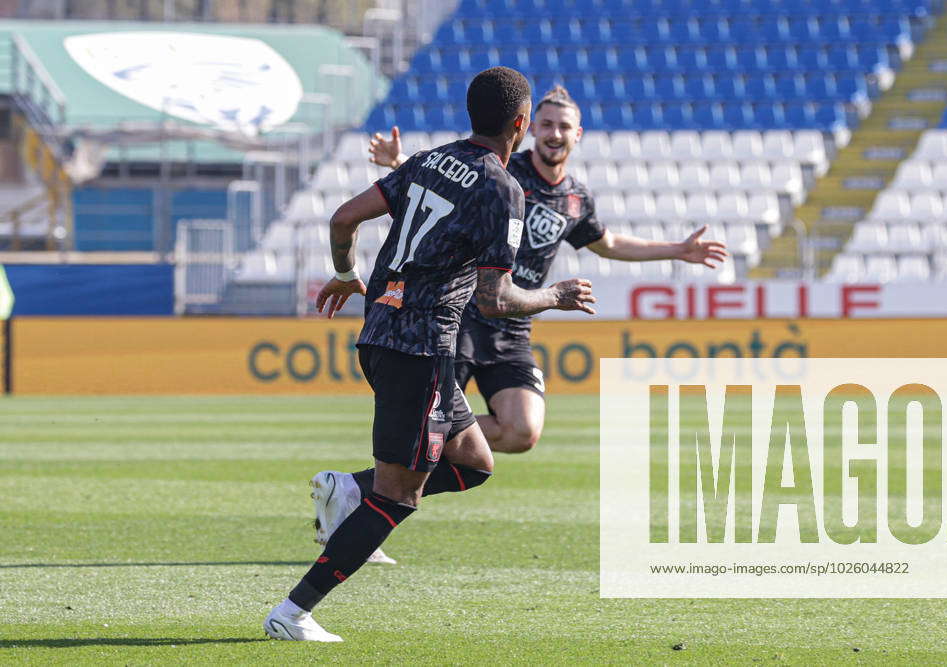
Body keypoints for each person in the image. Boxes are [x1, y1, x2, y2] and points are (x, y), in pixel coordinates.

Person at [263, 67, 596, 642]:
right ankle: (293, 612)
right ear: (520, 124)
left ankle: (350, 489)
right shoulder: (503, 189)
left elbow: (343, 217)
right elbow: (495, 300)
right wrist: (555, 296)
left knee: (474, 463)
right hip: (422, 348)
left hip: (382, 332)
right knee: (400, 494)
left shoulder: (427, 160)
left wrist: (346, 274)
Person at [368, 85, 727, 456]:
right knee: (427, 430)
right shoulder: (504, 172)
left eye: (564, 127)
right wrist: (400, 163)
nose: (556, 134)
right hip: (463, 318)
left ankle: (422, 439)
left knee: (521, 431)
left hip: (513, 328)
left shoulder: (576, 198)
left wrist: (678, 250)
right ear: (531, 128)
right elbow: (452, 184)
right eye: (548, 124)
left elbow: (609, 244)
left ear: (578, 134)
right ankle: (383, 477)